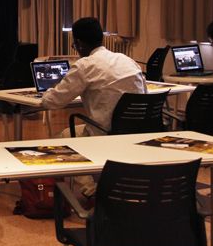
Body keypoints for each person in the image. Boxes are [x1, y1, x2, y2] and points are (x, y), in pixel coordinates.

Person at [40, 17, 146, 198]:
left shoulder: (85, 65)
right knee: (75, 133)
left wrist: (45, 93)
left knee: (62, 139)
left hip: (105, 131)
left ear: (79, 44)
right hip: (137, 130)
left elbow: (53, 101)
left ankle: (91, 190)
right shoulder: (127, 60)